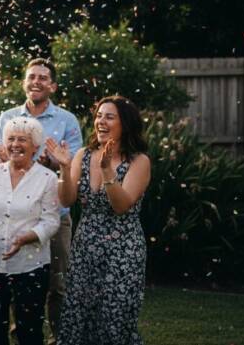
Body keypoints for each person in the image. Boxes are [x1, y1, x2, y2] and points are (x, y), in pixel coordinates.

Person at [45, 96, 151, 345]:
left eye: (109, 116)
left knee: (114, 316)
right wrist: (63, 168)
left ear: (125, 123)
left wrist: (106, 171)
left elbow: (122, 205)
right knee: (78, 314)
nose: (101, 121)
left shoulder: (139, 161)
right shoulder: (82, 155)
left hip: (123, 250)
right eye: (99, 116)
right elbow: (67, 200)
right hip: (85, 248)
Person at [0, 58, 82, 341]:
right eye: (32, 77)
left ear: (52, 86)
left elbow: (74, 165)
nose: (36, 82)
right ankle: (23, 336)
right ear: (24, 82)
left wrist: (54, 164)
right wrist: (22, 160)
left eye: (43, 78)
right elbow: (1, 160)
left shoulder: (67, 120)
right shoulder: (7, 117)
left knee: (57, 285)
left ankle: (60, 337)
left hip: (55, 214)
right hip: (16, 214)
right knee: (16, 282)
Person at [0, 117, 60, 345]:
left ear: (35, 146)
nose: (15, 144)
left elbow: (51, 221)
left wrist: (27, 237)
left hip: (30, 265)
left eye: (22, 139)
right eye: (11, 139)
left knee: (30, 329)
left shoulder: (47, 179)